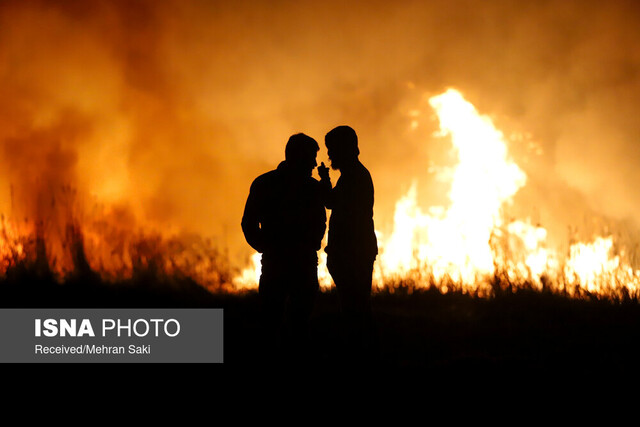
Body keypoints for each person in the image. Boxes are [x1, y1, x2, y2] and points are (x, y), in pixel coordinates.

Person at [241, 133, 326, 361]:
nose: (313, 163)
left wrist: (266, 247)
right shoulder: (304, 187)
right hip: (293, 264)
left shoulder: (266, 183)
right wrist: (267, 247)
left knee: (277, 322)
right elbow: (249, 223)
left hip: (284, 263)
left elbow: (248, 223)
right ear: (297, 156)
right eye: (311, 157)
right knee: (289, 323)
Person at [318, 125, 378, 360]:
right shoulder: (353, 175)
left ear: (346, 148)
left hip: (353, 254)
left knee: (355, 308)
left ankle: (361, 354)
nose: (330, 155)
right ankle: (362, 352)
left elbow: (333, 203)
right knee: (355, 306)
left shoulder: (354, 177)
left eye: (332, 149)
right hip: (354, 252)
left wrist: (323, 182)